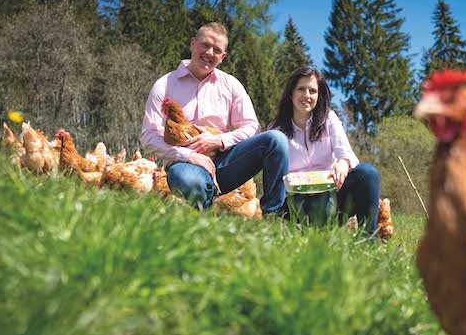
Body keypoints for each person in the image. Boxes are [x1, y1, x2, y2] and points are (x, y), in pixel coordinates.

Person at [140, 22, 289, 215]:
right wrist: (188, 155)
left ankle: (273, 215)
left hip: (226, 161)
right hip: (187, 165)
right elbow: (148, 137)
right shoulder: (165, 84)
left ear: (223, 57)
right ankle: (207, 215)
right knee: (185, 178)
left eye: (217, 50)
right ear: (192, 44)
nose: (209, 53)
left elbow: (252, 126)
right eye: (205, 45)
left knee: (276, 140)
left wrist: (218, 140)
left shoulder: (230, 84)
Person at [269, 67, 381, 235]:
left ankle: (368, 240)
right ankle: (303, 230)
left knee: (368, 173)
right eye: (301, 89)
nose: (307, 95)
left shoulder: (329, 118)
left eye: (312, 91)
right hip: (295, 205)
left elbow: (348, 155)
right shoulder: (276, 131)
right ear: (291, 93)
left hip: (331, 197)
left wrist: (343, 163)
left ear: (318, 96)